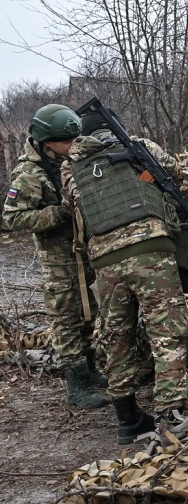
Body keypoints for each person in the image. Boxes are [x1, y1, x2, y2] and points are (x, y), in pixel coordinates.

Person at [61, 107, 188, 445]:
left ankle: (128, 420)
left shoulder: (69, 168)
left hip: (104, 262)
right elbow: (176, 171)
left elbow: (71, 205)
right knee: (166, 333)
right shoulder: (139, 145)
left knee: (117, 339)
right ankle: (172, 417)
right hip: (150, 251)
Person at [3, 104, 107, 409]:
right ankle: (76, 386)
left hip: (83, 255)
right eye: (67, 141)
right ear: (48, 142)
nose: (73, 145)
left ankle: (89, 372)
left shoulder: (66, 158)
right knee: (67, 321)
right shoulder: (29, 174)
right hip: (59, 262)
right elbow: (13, 218)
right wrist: (59, 214)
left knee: (89, 315)